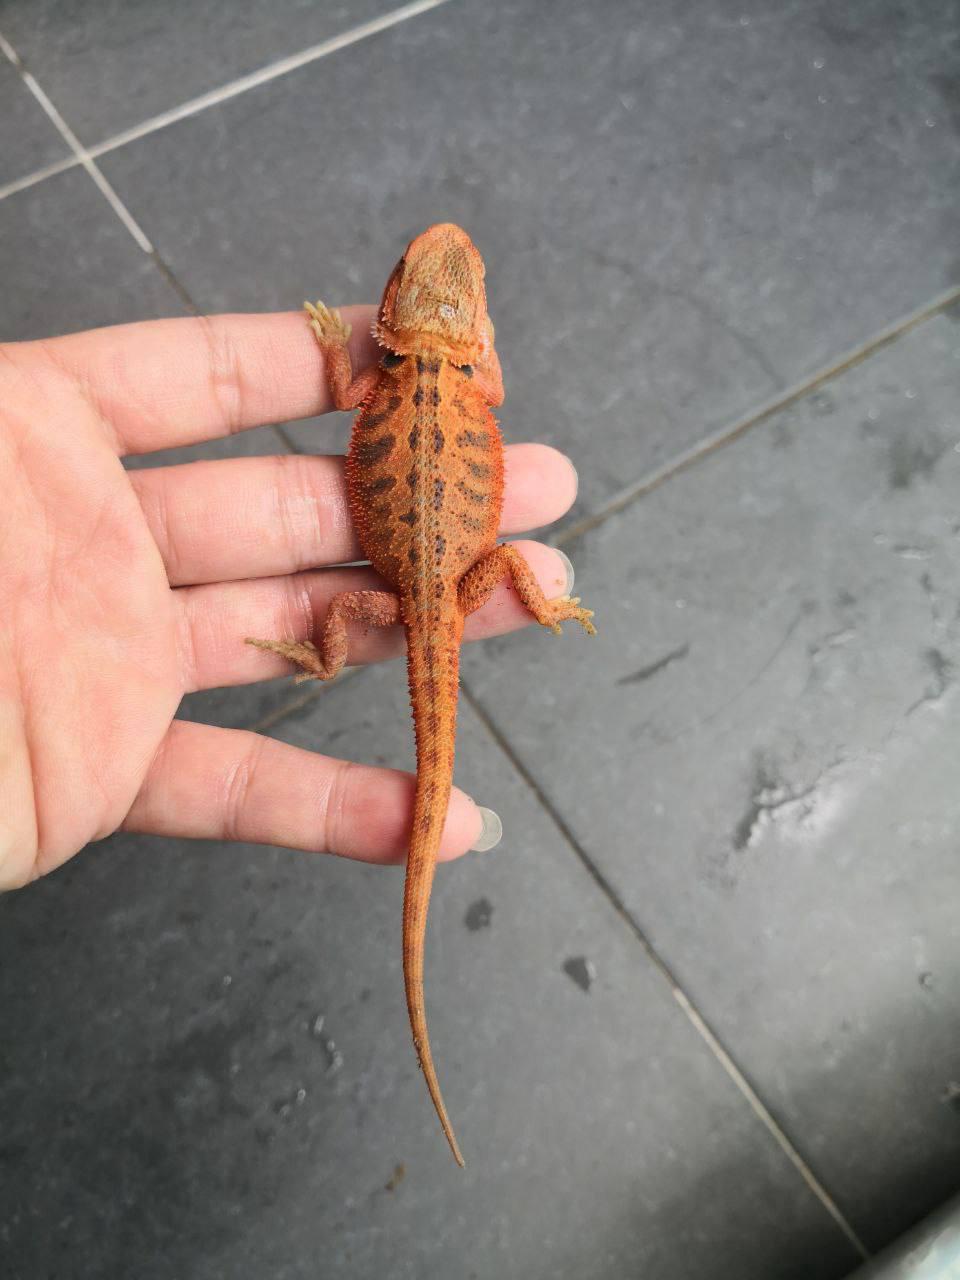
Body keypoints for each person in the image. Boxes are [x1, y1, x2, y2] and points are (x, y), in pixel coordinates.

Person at [0, 306, 580, 891]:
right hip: (451, 588)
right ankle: (521, 614)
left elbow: (347, 389)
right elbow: (492, 399)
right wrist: (544, 606)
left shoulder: (384, 376)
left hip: (427, 586)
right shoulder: (466, 381)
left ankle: (327, 662)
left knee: (361, 608)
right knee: (499, 563)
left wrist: (334, 345)